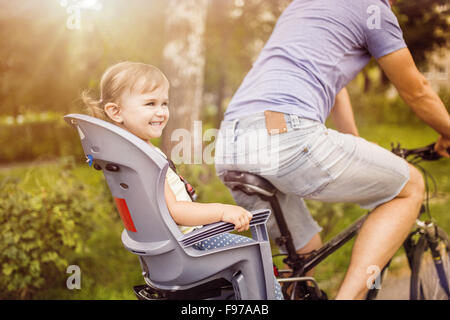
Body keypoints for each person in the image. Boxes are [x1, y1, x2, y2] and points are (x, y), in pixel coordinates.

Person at [214, 0, 450, 299]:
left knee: (305, 252)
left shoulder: (304, 5)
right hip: (285, 134)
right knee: (411, 186)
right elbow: (417, 90)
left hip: (231, 144)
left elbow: (334, 84)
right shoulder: (373, 10)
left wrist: (357, 145)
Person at [81, 61, 283, 300]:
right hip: (192, 244)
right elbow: (176, 211)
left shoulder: (127, 154)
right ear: (116, 111)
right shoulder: (145, 160)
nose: (161, 111)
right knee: (260, 264)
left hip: (166, 254)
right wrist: (222, 211)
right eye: (150, 103)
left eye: (164, 103)